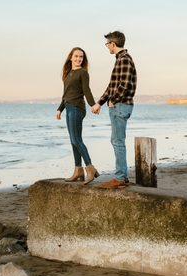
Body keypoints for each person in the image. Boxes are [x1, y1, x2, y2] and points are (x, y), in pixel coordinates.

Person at [92, 31, 137, 188]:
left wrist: (113, 100)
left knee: (118, 141)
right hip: (118, 105)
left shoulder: (124, 60)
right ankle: (122, 177)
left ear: (113, 44)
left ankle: (119, 178)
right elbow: (112, 86)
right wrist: (100, 103)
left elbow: (123, 86)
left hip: (120, 105)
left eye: (107, 44)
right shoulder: (121, 60)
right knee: (117, 141)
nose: (107, 47)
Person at [56, 47, 99, 185]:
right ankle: (78, 170)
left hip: (77, 108)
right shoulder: (68, 73)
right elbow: (66, 94)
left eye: (81, 57)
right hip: (69, 107)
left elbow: (87, 90)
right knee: (73, 140)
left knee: (76, 140)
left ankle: (90, 168)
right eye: (76, 56)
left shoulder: (83, 73)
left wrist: (93, 104)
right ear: (71, 57)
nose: (78, 59)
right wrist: (60, 109)